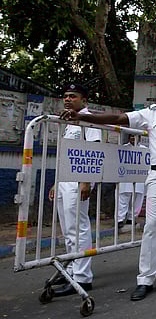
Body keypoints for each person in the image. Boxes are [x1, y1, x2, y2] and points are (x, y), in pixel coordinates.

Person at [59, 76, 156, 300]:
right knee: (152, 225)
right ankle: (146, 279)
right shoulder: (150, 114)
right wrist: (83, 116)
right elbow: (118, 117)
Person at [48, 83, 101, 297]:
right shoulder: (69, 122)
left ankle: (82, 278)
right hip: (65, 180)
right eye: (66, 96)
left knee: (78, 228)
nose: (68, 99)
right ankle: (71, 268)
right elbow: (66, 155)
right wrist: (56, 181)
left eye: (73, 96)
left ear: (84, 100)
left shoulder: (89, 120)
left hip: (79, 180)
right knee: (68, 229)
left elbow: (93, 150)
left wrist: (87, 181)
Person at [118, 134, 146, 233]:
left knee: (137, 199)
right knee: (123, 198)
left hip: (139, 178)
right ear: (129, 138)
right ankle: (119, 219)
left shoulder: (144, 150)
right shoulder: (123, 148)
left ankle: (132, 218)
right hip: (126, 178)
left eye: (136, 137)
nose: (134, 138)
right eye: (132, 137)